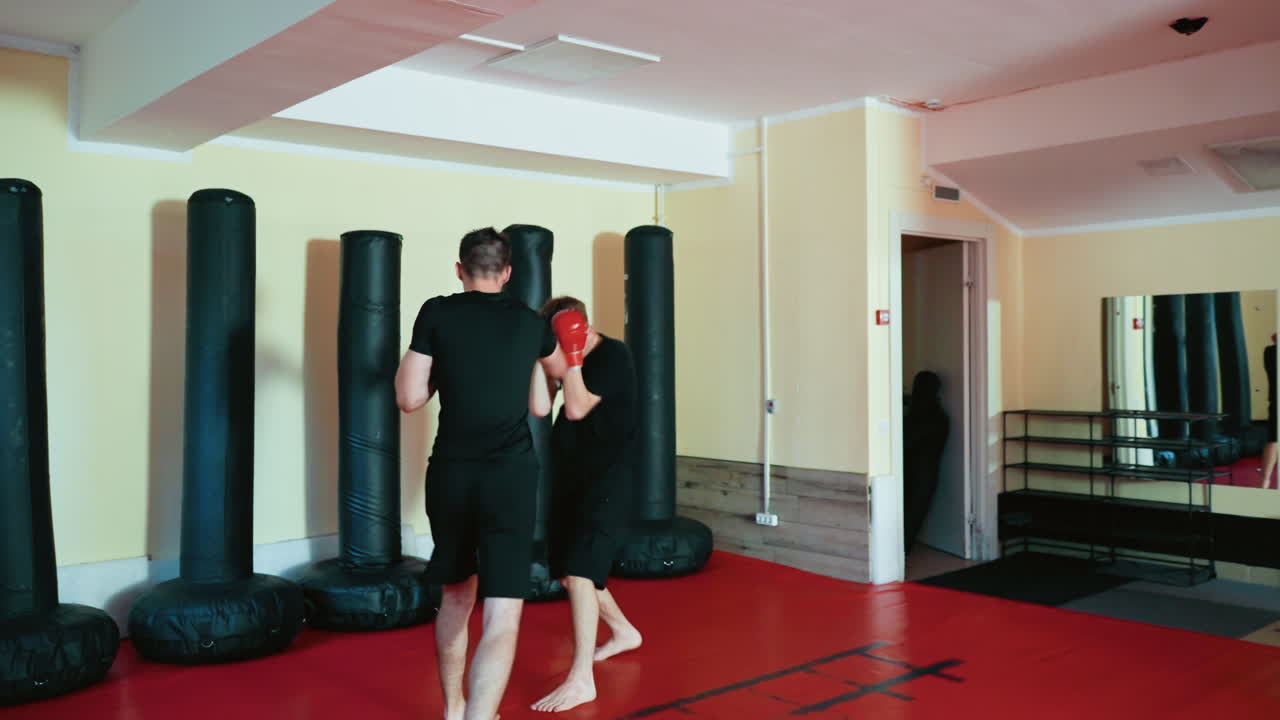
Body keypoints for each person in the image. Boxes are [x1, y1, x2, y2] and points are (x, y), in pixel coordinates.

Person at [395, 227, 556, 720]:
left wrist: (445, 369)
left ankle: (454, 708)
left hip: (454, 474)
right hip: (510, 476)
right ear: (507, 273)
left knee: (457, 594)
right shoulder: (531, 324)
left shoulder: (437, 312)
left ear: (460, 269)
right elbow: (542, 403)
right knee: (504, 608)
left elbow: (408, 398)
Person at [532, 297, 643, 713]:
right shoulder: (563, 357)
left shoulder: (613, 355)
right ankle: (624, 631)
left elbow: (576, 406)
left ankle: (581, 679)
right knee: (567, 574)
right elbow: (542, 404)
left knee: (581, 573)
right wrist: (539, 354)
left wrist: (573, 353)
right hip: (571, 476)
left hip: (607, 479)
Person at [1263, 333, 1277, 490]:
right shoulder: (1271, 352)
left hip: (1275, 402)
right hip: (1276, 402)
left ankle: (1264, 482)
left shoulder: (1270, 352)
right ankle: (1265, 482)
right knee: (1274, 440)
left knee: (1274, 440)